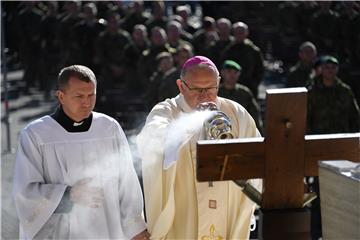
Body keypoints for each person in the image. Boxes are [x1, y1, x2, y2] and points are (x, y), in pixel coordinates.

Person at [13, 65, 150, 239]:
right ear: (61, 96)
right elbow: (25, 192)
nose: (87, 103)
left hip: (108, 228)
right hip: (62, 231)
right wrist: (68, 195)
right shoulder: (36, 134)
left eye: (91, 95)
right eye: (79, 96)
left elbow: (127, 182)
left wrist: (135, 226)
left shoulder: (109, 128)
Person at [137, 56, 262, 239]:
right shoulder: (167, 111)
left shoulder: (236, 113)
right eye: (197, 89)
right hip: (183, 216)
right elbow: (152, 141)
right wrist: (190, 125)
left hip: (227, 214)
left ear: (219, 83)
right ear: (181, 86)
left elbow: (257, 157)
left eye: (211, 88)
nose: (204, 96)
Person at [306, 56, 360, 240]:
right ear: (321, 70)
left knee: (343, 189)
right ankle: (316, 232)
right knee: (319, 192)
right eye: (327, 67)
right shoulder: (312, 92)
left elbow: (355, 118)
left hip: (343, 148)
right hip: (319, 148)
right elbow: (306, 120)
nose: (330, 71)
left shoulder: (345, 91)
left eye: (333, 67)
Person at [218, 60, 263, 133]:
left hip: (241, 131)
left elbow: (255, 116)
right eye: (229, 71)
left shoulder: (245, 93)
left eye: (235, 72)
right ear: (222, 73)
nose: (232, 75)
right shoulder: (215, 92)